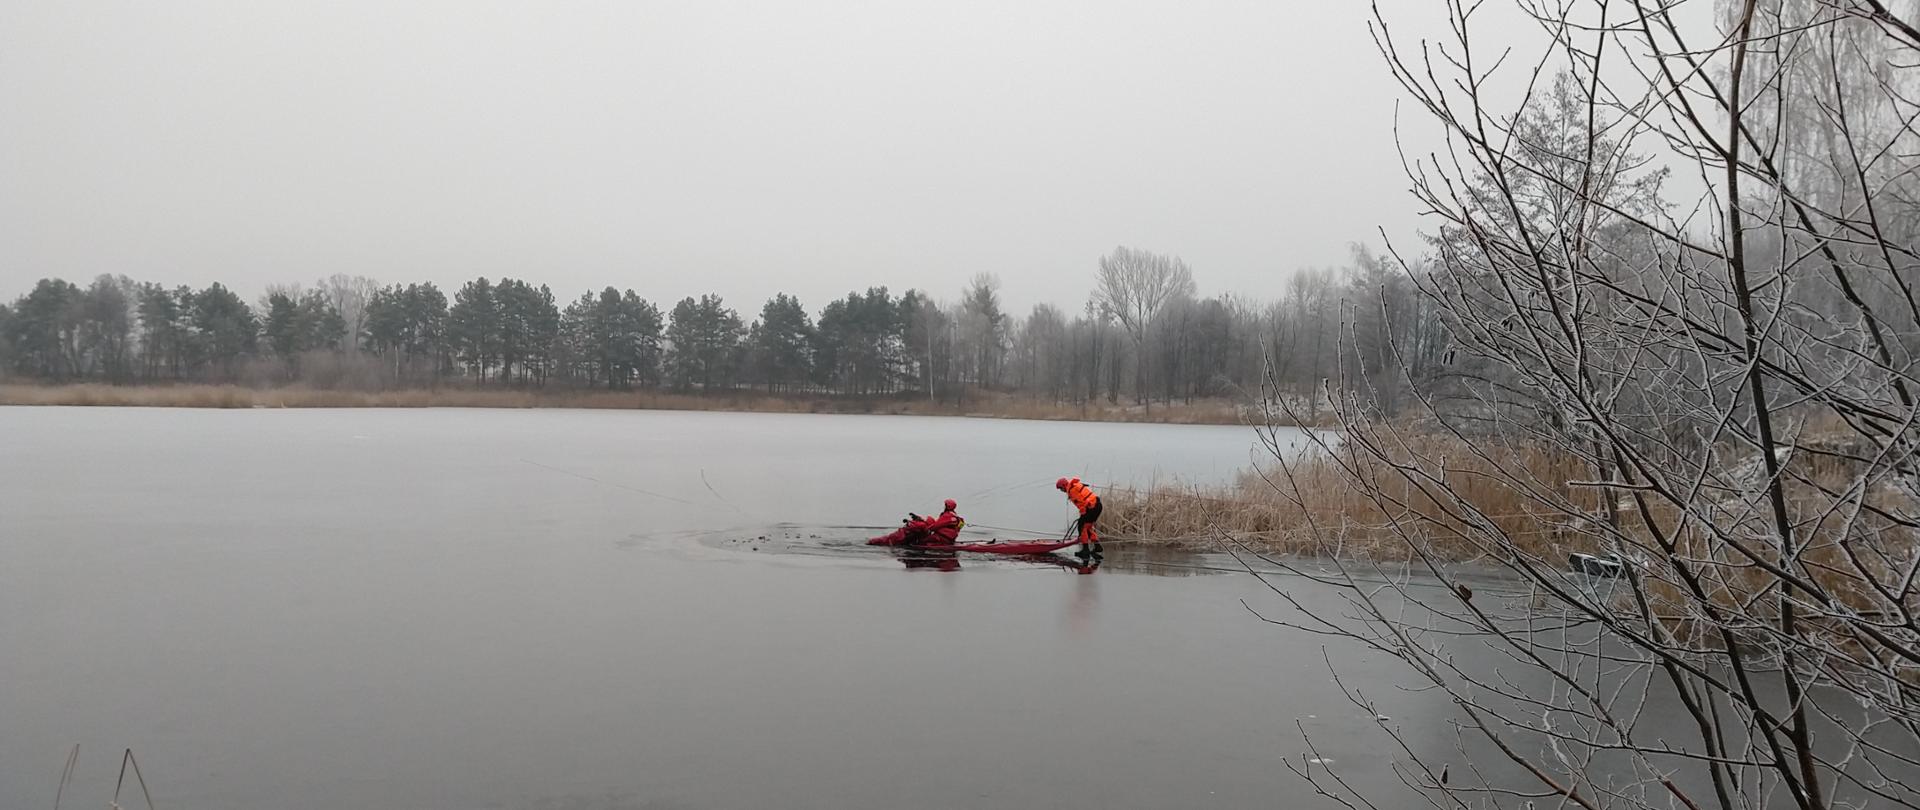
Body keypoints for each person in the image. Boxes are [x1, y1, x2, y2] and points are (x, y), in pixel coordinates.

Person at [1056, 477, 1102, 558]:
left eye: (1061, 488)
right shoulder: (1075, 485)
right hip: (1097, 506)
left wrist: (1083, 514)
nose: (1061, 491)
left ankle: (1085, 550)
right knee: (1088, 527)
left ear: (1064, 485)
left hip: (1091, 508)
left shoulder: (1072, 491)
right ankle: (1097, 547)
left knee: (1082, 527)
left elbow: (1082, 503)